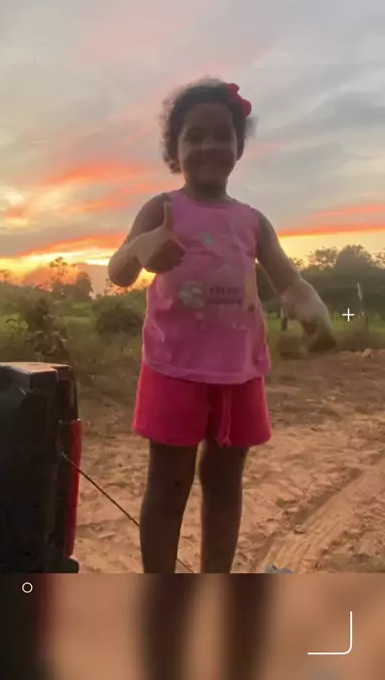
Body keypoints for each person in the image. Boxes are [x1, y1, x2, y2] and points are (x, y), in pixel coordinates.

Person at [108, 77, 334, 575]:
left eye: (221, 135)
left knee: (225, 483)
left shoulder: (253, 221)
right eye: (194, 136)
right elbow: (118, 271)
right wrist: (141, 248)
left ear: (238, 146)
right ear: (174, 150)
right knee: (167, 485)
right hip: (173, 367)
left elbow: (288, 280)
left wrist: (311, 305)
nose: (209, 145)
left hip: (239, 371)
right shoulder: (162, 209)